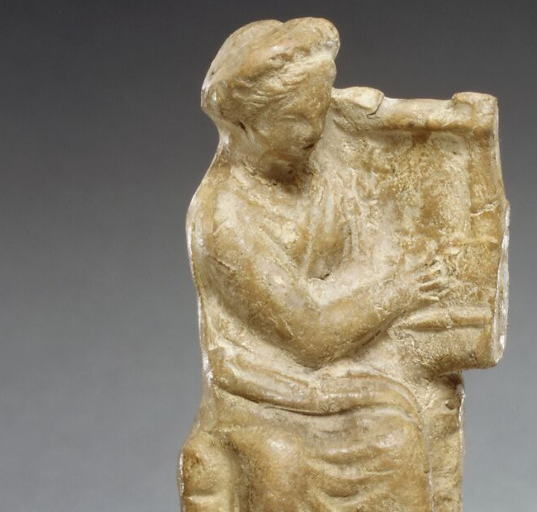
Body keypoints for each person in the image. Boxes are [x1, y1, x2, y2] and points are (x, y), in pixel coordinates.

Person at [179, 18, 449, 511]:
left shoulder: (320, 171)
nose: (314, 131)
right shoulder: (223, 215)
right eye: (296, 119)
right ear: (246, 124)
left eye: (320, 111)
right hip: (260, 394)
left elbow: (372, 235)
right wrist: (400, 292)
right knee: (280, 463)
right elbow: (310, 334)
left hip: (331, 386)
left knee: (396, 436)